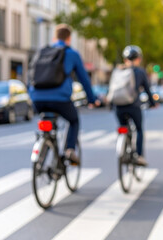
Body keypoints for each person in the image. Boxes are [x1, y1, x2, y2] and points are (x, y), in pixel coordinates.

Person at [28, 24, 99, 165]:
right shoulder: (71, 53)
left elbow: (30, 76)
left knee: (47, 123)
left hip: (37, 100)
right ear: (69, 38)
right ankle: (69, 150)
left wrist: (32, 96)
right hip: (60, 100)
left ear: (54, 37)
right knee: (73, 120)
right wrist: (92, 100)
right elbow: (84, 79)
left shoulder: (41, 52)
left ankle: (45, 147)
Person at [107, 45, 156, 166]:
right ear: (138, 59)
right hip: (133, 106)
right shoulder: (140, 72)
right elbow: (147, 90)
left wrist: (110, 104)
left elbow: (112, 89)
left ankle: (122, 146)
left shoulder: (118, 70)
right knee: (139, 129)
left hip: (118, 107)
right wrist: (152, 103)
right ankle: (139, 155)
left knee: (122, 127)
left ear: (125, 59)